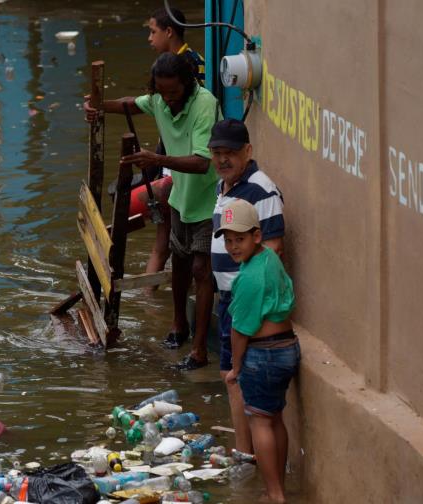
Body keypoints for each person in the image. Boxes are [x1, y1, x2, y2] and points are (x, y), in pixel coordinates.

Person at [84, 52, 219, 370]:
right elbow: (133, 103)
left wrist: (156, 160)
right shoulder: (159, 100)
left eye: (174, 92)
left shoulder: (205, 104)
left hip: (208, 201)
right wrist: (99, 106)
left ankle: (199, 350)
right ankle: (178, 326)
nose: (168, 99)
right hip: (180, 199)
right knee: (181, 266)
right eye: (162, 92)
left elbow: (202, 162)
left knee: (202, 272)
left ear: (187, 84)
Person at [208, 119, 286, 459]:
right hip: (227, 298)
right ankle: (244, 450)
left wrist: (243, 296)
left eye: (230, 153)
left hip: (244, 302)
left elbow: (272, 247)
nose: (223, 160)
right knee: (229, 374)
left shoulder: (260, 190)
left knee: (236, 376)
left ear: (248, 152)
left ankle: (245, 451)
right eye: (217, 153)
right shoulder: (224, 186)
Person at [217, 198, 299, 504]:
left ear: (256, 235)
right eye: (228, 240)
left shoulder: (249, 278)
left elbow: (240, 331)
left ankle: (273, 494)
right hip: (287, 347)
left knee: (260, 422)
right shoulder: (269, 259)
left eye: (239, 239)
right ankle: (279, 486)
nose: (233, 247)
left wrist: (236, 368)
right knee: (275, 418)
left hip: (263, 355)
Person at [127, 7, 207, 282]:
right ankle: (155, 300)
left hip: (181, 166)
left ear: (169, 31)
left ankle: (149, 300)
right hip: (175, 162)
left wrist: (160, 162)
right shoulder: (191, 60)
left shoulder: (183, 67)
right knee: (173, 243)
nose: (149, 38)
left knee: (167, 242)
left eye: (153, 31)